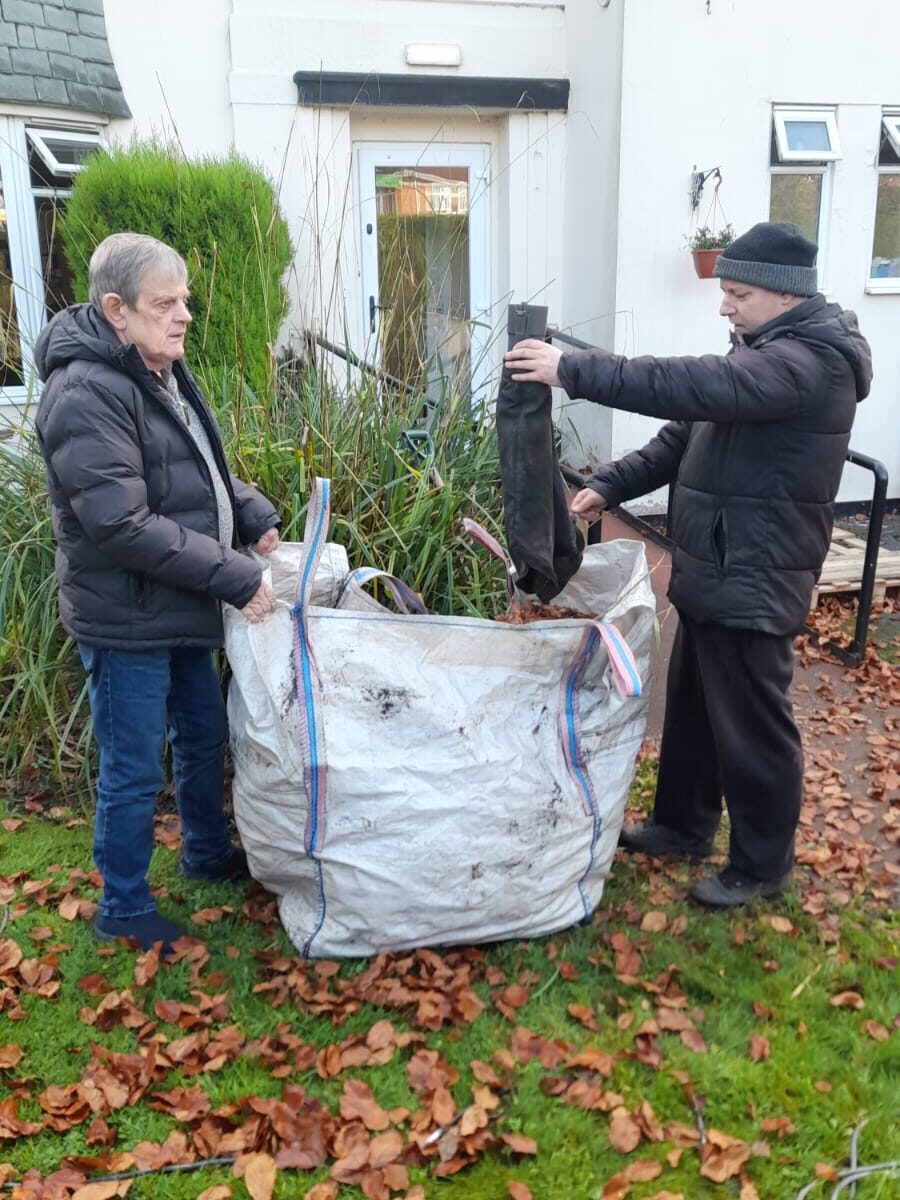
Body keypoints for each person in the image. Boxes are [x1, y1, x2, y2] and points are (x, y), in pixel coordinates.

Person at [504, 222, 872, 907]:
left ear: (784, 296)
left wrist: (572, 369)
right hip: (717, 562)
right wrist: (610, 483)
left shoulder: (805, 364)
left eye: (737, 293)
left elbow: (687, 388)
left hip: (757, 570)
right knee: (697, 711)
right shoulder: (762, 352)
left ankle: (762, 869)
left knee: (753, 727)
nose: (724, 306)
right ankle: (682, 824)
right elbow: (685, 433)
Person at [35, 232, 280, 953]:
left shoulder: (155, 367)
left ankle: (205, 853)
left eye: (185, 301)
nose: (184, 316)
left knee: (203, 737)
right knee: (134, 765)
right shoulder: (83, 392)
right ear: (116, 309)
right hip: (126, 618)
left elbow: (190, 471)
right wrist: (237, 576)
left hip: (175, 604)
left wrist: (252, 509)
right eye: (165, 303)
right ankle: (123, 904)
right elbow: (125, 524)